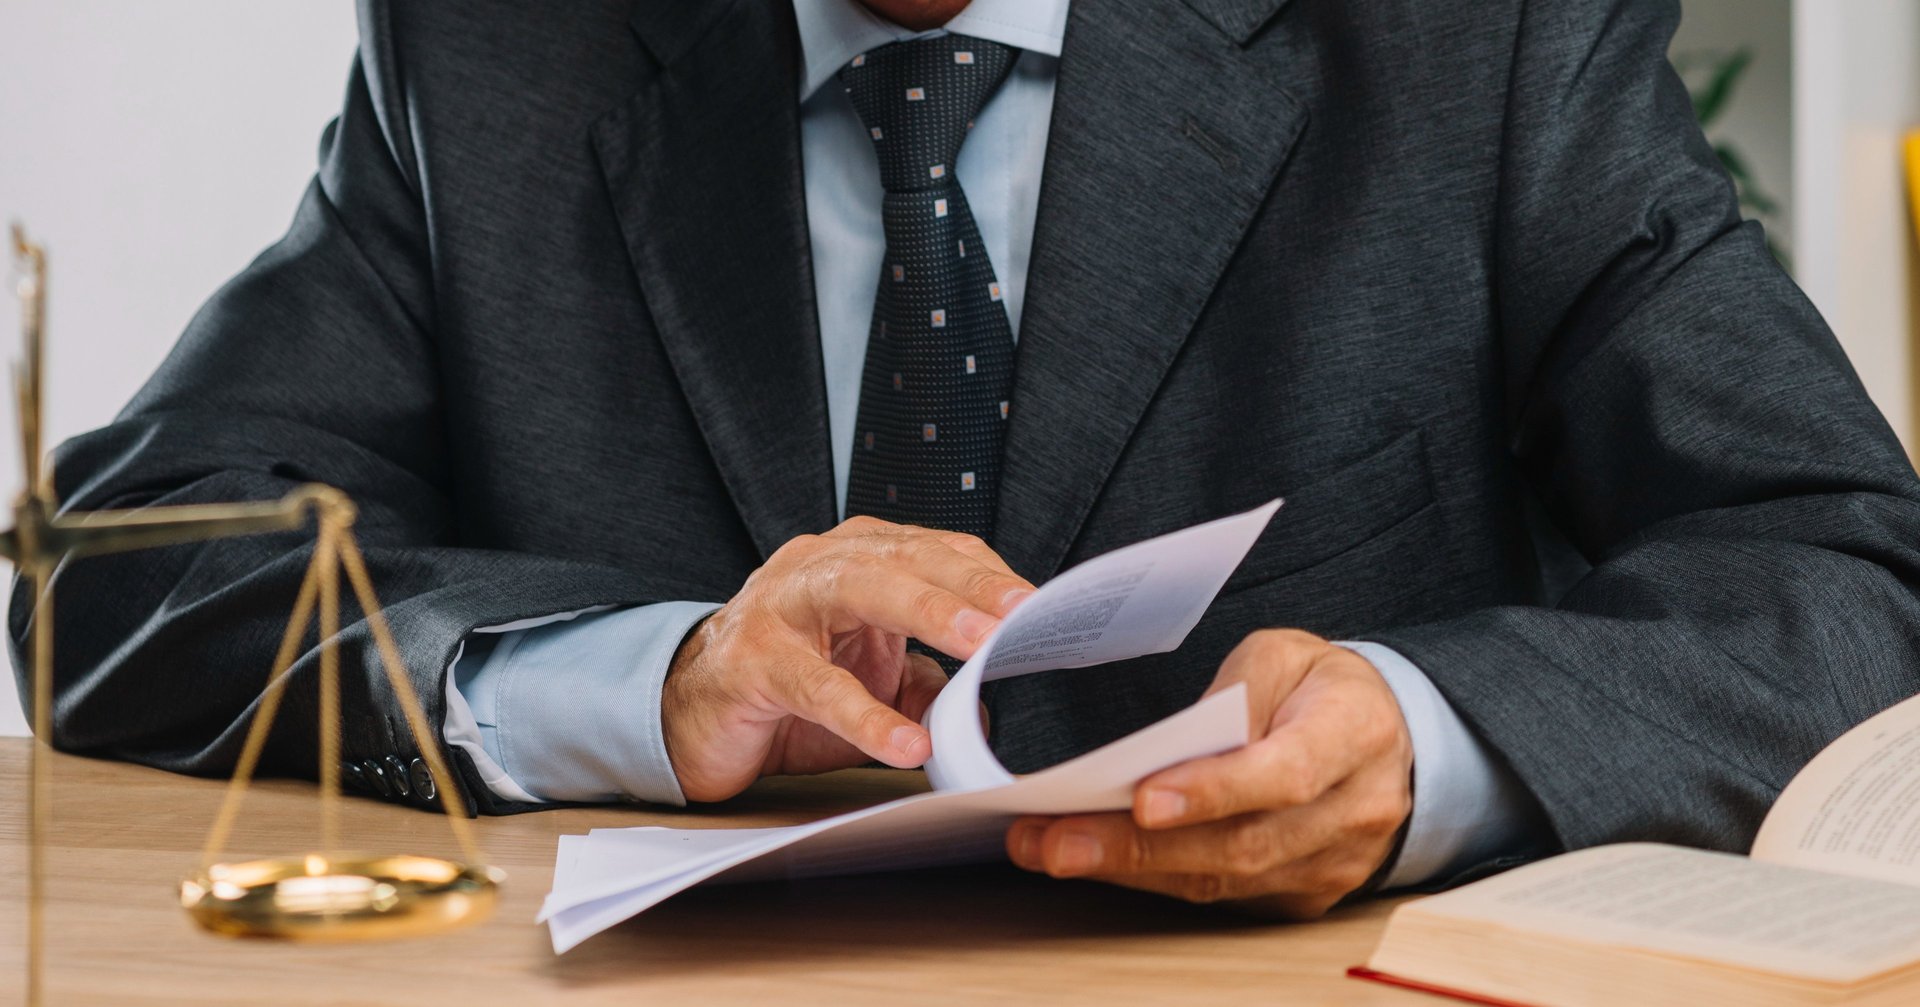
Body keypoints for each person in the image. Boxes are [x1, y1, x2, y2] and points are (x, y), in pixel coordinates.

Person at [17, 0, 1920, 918]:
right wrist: (643, 677)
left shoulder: (1469, 36)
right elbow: (110, 569)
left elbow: (1844, 561)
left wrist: (1431, 742)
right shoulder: (500, 50)